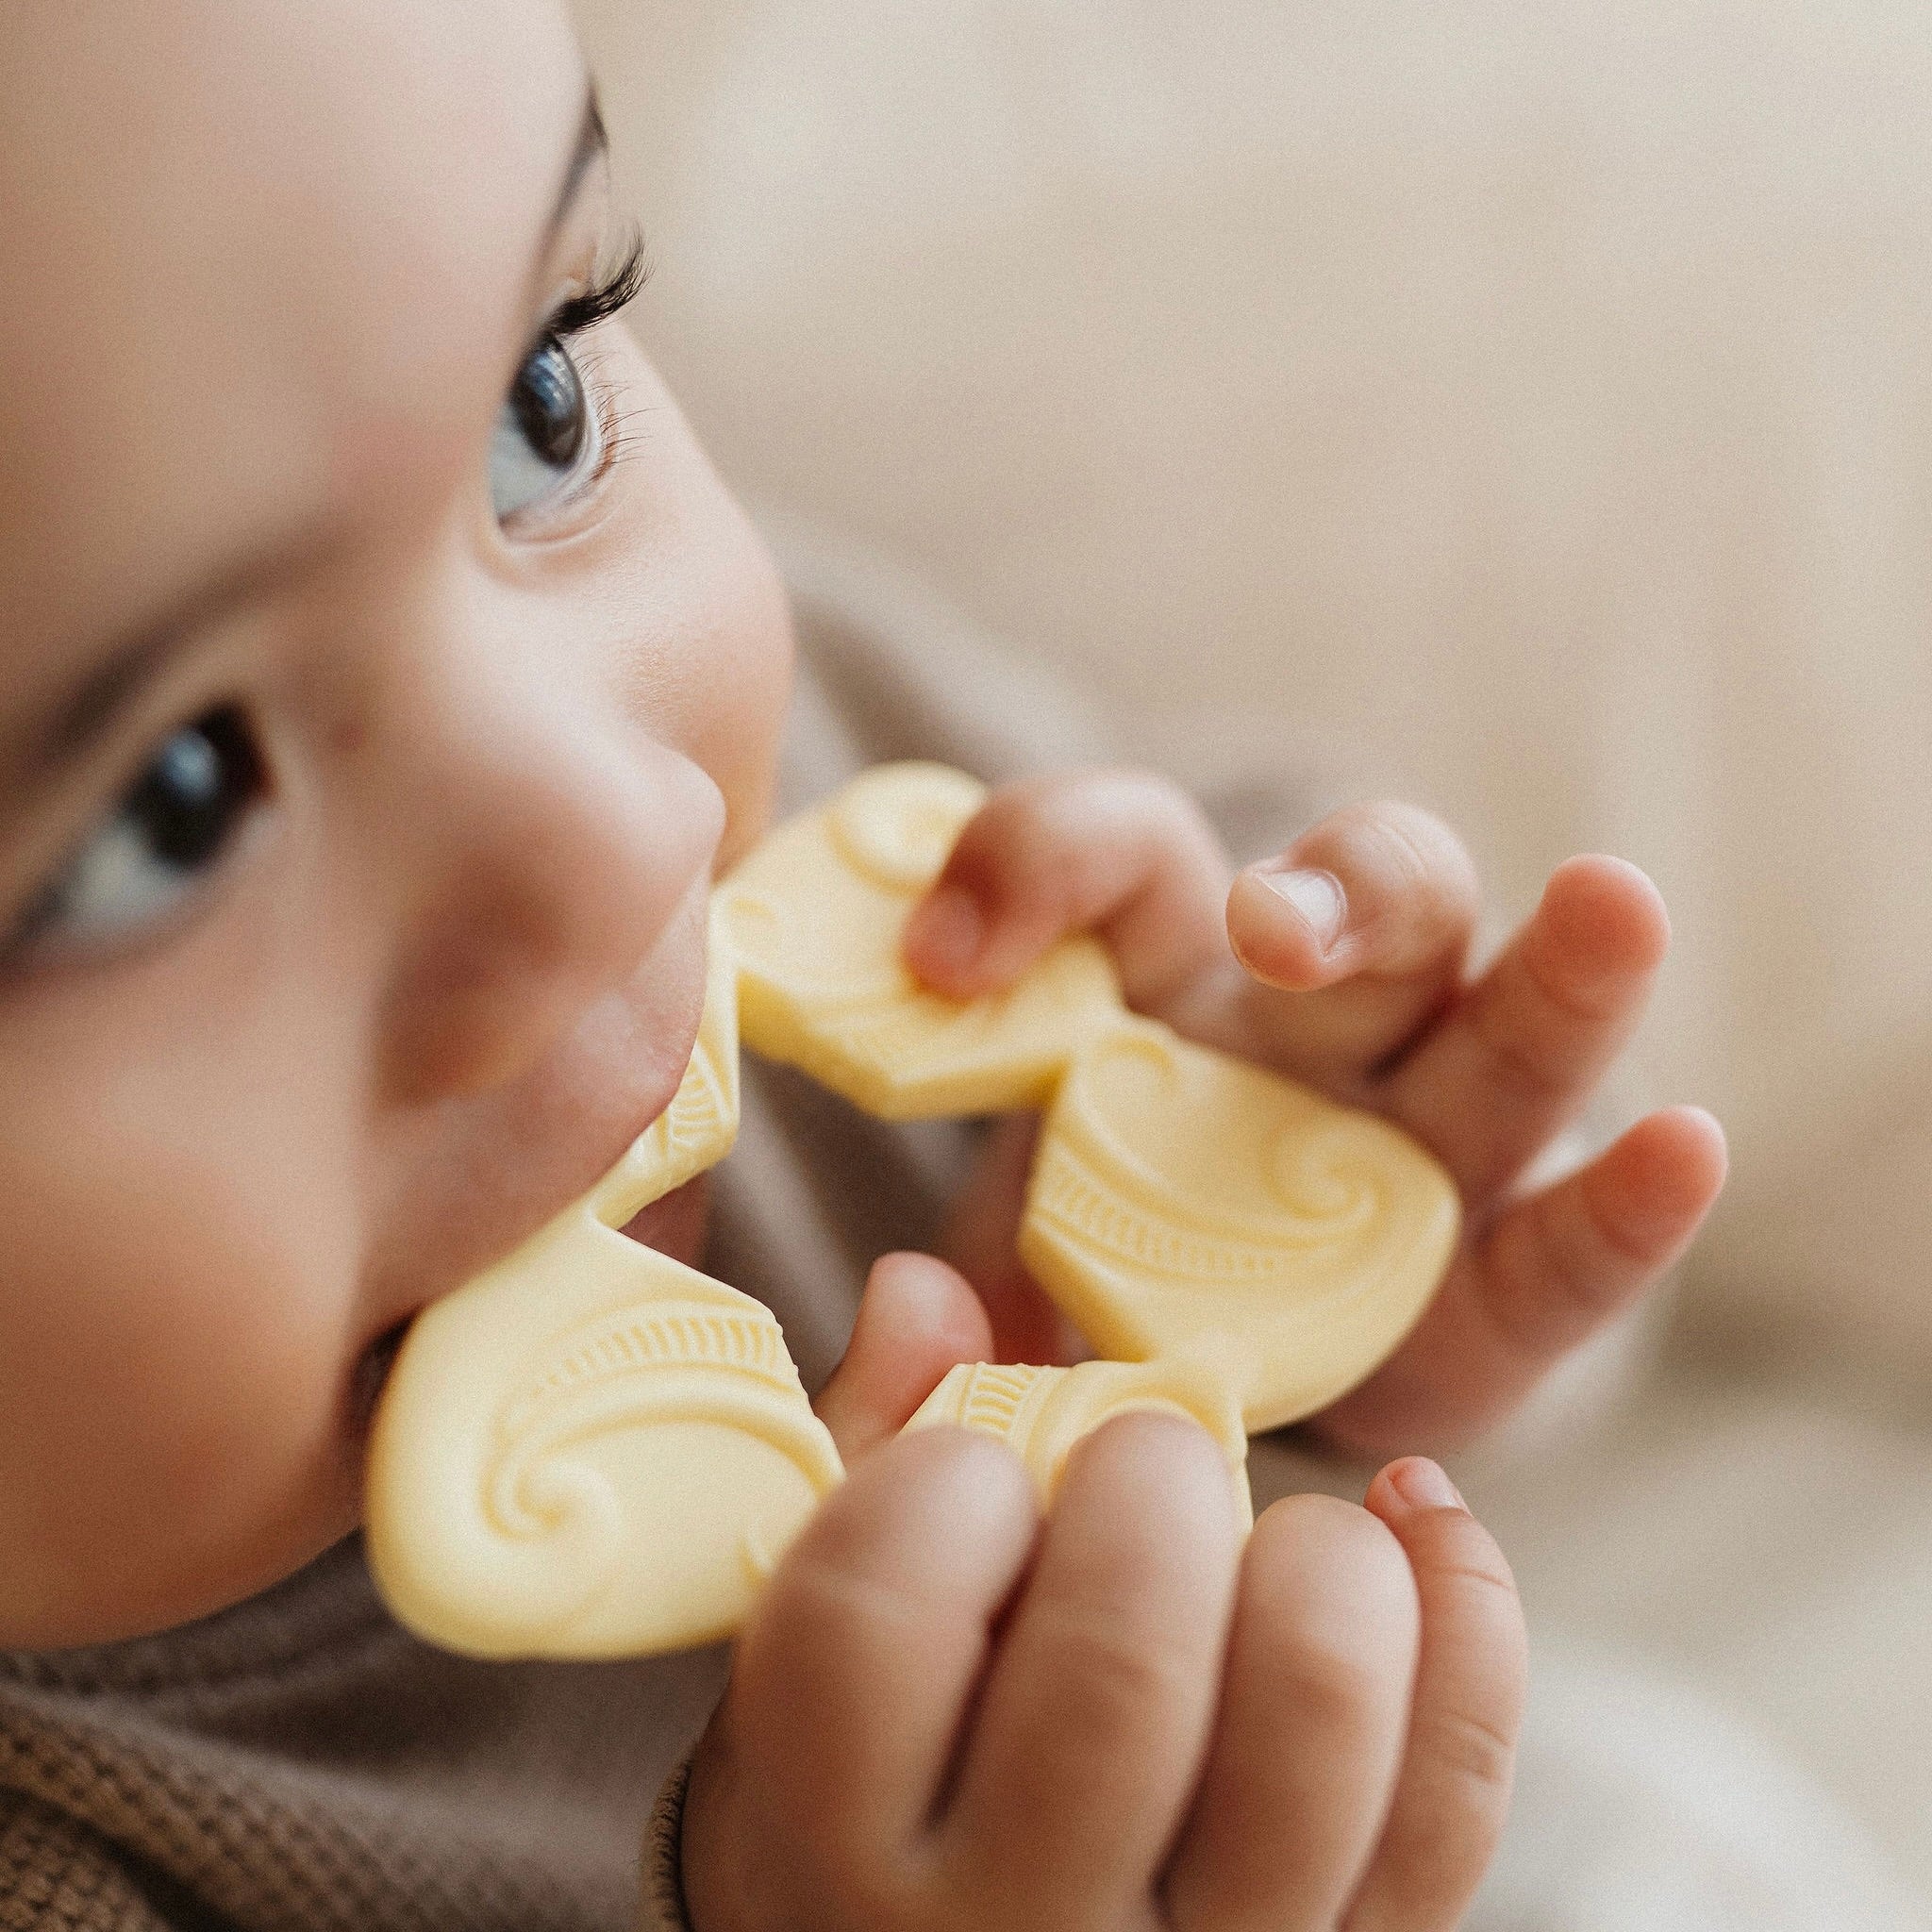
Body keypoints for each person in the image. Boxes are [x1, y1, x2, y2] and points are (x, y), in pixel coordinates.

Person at [0, 3, 1726, 1926]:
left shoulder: (839, 818)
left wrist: (1336, 1247)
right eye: (164, 806)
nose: (623, 825)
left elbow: (1481, 1288)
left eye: (533, 410)